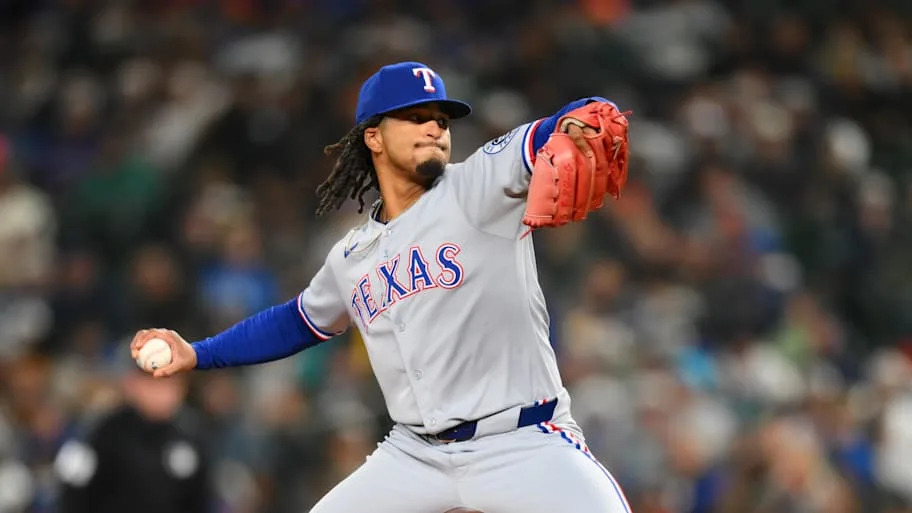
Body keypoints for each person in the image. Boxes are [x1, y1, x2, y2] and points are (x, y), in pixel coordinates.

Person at [131, 61, 632, 512]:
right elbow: (296, 321)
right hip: (415, 455)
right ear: (373, 136)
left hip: (523, 442)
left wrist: (575, 118)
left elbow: (548, 131)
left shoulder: (477, 187)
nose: (435, 127)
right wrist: (197, 353)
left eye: (441, 119)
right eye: (415, 117)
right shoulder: (352, 255)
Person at [55, 355, 212, 513]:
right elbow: (73, 497)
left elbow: (200, 500)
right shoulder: (102, 434)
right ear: (132, 384)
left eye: (170, 382)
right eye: (153, 383)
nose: (162, 393)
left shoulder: (191, 435)